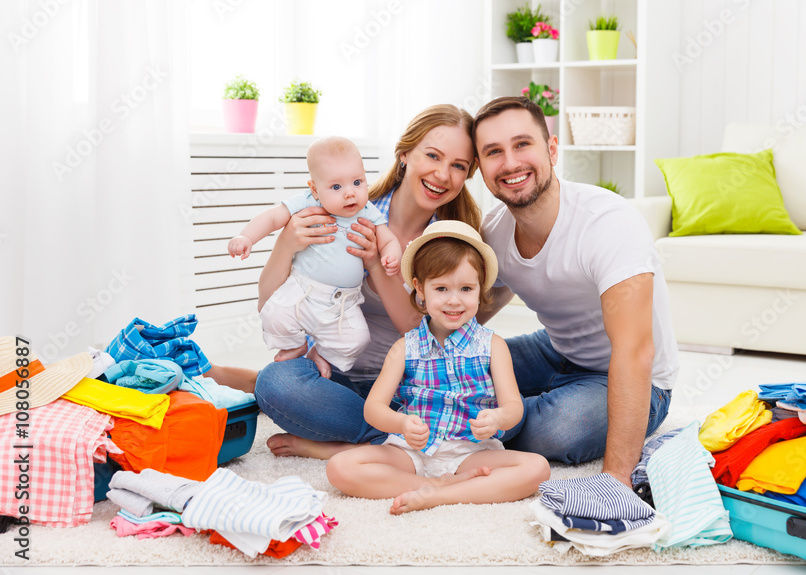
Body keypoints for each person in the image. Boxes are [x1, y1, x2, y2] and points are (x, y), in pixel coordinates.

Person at [472, 96, 681, 488]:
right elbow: (487, 296)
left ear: (551, 150)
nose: (511, 163)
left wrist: (616, 480)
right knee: (454, 371)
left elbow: (635, 351)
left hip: (640, 379)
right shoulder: (495, 231)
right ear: (480, 167)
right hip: (556, 350)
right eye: (493, 152)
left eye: (522, 144)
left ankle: (472, 423)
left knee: (558, 430)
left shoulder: (607, 223)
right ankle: (479, 415)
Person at [253, 104, 483, 460]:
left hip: (408, 387)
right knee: (276, 383)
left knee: (499, 415)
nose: (442, 174)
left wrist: (376, 262)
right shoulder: (346, 206)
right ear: (405, 153)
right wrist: (285, 244)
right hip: (337, 373)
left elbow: (418, 327)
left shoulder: (452, 239)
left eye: (458, 166)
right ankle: (398, 441)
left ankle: (344, 446)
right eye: (433, 155)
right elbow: (269, 302)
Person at [326, 220, 550, 514]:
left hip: (469, 452)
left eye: (466, 288)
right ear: (420, 289)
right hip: (410, 451)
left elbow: (513, 409)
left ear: (480, 288)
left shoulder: (493, 346)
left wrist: (496, 419)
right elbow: (374, 409)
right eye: (441, 288)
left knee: (537, 468)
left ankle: (441, 495)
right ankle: (435, 488)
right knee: (340, 467)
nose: (454, 300)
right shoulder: (405, 347)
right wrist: (402, 424)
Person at [228, 136, 402, 375]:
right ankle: (294, 345)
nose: (350, 194)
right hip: (303, 289)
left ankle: (321, 353)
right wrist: (246, 237)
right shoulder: (307, 203)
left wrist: (392, 255)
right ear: (315, 190)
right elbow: (272, 218)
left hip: (344, 302)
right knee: (274, 314)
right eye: (337, 187)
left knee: (358, 339)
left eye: (357, 182)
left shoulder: (367, 210)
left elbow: (388, 238)